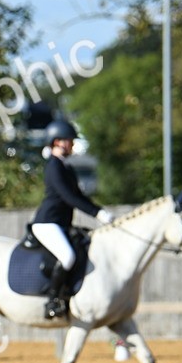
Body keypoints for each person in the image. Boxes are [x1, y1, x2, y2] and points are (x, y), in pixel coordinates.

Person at [30, 121, 112, 319]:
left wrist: (100, 211)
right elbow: (68, 197)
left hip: (61, 224)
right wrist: (95, 214)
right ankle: (52, 301)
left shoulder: (66, 167)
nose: (72, 144)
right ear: (57, 142)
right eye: (69, 141)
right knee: (67, 256)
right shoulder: (53, 166)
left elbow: (79, 196)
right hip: (47, 223)